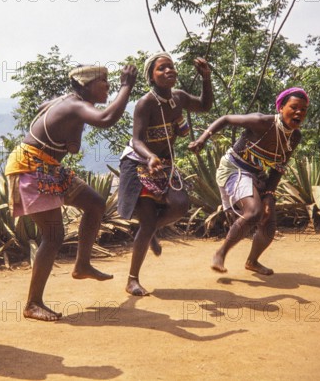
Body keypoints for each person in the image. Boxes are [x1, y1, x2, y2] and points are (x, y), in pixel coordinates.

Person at [5, 64, 138, 321]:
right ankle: (32, 304)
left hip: (49, 167)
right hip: (30, 168)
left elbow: (44, 105)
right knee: (54, 236)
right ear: (86, 85)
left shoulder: (71, 102)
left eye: (111, 83)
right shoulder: (75, 105)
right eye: (104, 82)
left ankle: (82, 265)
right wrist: (127, 86)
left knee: (95, 204)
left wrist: (70, 131)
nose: (108, 87)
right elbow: (106, 119)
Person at [118, 52, 213, 296]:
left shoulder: (179, 98)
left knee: (180, 206)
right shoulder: (145, 103)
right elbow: (137, 140)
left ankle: (148, 232)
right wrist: (150, 157)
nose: (169, 71)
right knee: (148, 219)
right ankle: (132, 279)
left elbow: (205, 106)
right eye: (161, 68)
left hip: (164, 163)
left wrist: (206, 78)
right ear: (151, 76)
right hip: (139, 162)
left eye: (171, 67)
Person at [188, 87, 309, 275]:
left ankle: (252, 262)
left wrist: (269, 194)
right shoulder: (262, 122)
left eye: (303, 110)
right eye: (294, 107)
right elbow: (226, 119)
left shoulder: (295, 137)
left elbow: (279, 167)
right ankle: (220, 253)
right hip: (234, 168)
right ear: (281, 108)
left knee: (269, 222)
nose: (299, 112)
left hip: (257, 174)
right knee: (253, 212)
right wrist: (203, 139)